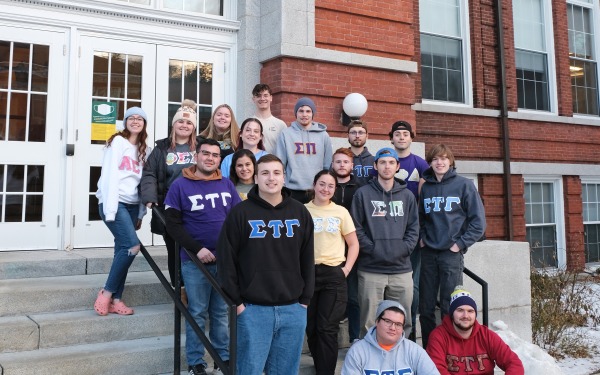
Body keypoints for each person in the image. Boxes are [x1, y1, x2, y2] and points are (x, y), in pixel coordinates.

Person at [217, 154, 315, 375]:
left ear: (284, 177)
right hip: (252, 310)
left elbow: (308, 258)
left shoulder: (300, 212)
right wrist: (238, 303)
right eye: (265, 173)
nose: (271, 178)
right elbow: (226, 261)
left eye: (276, 173)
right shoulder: (240, 213)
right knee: (248, 371)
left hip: (293, 308)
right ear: (256, 177)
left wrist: (305, 300)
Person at [164, 138, 242, 375]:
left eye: (215, 155)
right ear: (196, 156)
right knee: (197, 312)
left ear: (220, 159)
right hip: (194, 261)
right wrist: (197, 249)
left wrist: (230, 251)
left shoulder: (227, 185)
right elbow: (172, 225)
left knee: (220, 313)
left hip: (225, 261)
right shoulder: (180, 185)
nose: (210, 158)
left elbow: (237, 221)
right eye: (205, 153)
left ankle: (222, 359)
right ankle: (195, 362)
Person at [419, 144, 486, 349]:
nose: (440, 162)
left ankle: (452, 350)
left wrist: (459, 245)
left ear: (451, 161)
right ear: (430, 162)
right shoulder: (427, 187)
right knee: (426, 307)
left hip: (451, 255)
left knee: (450, 306)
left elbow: (478, 223)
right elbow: (420, 218)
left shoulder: (464, 185)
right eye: (435, 159)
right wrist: (422, 238)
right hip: (429, 253)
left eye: (444, 158)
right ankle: (431, 351)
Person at [351, 147, 419, 339]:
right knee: (369, 322)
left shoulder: (407, 196)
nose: (386, 166)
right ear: (375, 165)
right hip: (371, 268)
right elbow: (356, 227)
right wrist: (372, 249)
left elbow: (414, 228)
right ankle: (371, 360)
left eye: (391, 162)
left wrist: (403, 248)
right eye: (382, 162)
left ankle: (399, 359)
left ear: (397, 166)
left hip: (401, 269)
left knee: (402, 321)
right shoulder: (362, 194)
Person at [94, 107, 150, 316]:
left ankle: (117, 299)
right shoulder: (118, 142)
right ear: (125, 122)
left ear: (144, 124)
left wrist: (141, 213)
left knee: (122, 251)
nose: (135, 121)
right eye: (131, 118)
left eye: (140, 119)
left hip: (133, 206)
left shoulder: (146, 149)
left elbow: (144, 184)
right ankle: (107, 293)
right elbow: (109, 176)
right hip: (114, 203)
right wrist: (111, 210)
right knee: (132, 246)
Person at [141, 99, 201, 293]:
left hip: (196, 206)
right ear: (174, 124)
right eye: (180, 122)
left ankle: (196, 288)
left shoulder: (200, 148)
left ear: (194, 127)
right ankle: (180, 288)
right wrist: (150, 197)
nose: (184, 125)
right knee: (174, 248)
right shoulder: (161, 148)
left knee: (194, 246)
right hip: (170, 207)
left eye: (189, 122)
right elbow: (149, 173)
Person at [305, 170, 359, 375]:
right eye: (322, 184)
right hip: (308, 275)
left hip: (333, 275)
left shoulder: (341, 212)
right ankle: (320, 364)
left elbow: (353, 244)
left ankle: (325, 371)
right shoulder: (302, 210)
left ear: (335, 189)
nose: (325, 189)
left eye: (330, 186)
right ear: (314, 184)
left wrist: (345, 269)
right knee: (311, 327)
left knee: (327, 328)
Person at [389, 120, 429, 342]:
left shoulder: (421, 164)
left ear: (411, 138)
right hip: (389, 231)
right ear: (392, 138)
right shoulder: (386, 160)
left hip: (413, 233)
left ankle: (410, 330)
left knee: (412, 283)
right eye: (397, 134)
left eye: (405, 134)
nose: (401, 137)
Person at [427, 287, 524, 375]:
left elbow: (514, 363)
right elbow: (436, 370)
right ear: (452, 314)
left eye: (470, 311)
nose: (465, 316)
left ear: (475, 314)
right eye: (460, 310)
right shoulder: (438, 336)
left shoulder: (487, 335)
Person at [342, 300, 439, 375]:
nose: (393, 328)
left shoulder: (414, 351)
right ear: (377, 321)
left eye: (398, 324)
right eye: (388, 321)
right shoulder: (357, 352)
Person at [330, 147, 361, 344]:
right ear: (332, 164)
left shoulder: (361, 189)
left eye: (345, 162)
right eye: (338, 161)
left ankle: (355, 338)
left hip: (354, 247)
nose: (342, 165)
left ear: (352, 165)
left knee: (354, 296)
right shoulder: (326, 186)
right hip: (331, 248)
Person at [275, 97, 333, 203]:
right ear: (296, 113)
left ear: (312, 113)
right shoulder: (286, 134)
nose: (304, 114)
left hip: (316, 190)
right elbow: (280, 163)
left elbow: (327, 165)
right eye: (301, 111)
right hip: (292, 189)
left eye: (308, 111)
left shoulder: (323, 135)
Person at [251, 83, 287, 154]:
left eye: (265, 95)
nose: (262, 98)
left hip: (274, 164)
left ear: (271, 98)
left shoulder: (280, 125)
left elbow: (285, 150)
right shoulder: (248, 124)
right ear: (253, 99)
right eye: (258, 96)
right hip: (254, 164)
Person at [347, 120, 374, 186]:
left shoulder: (374, 161)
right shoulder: (340, 161)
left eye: (361, 132)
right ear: (348, 136)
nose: (357, 136)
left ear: (367, 136)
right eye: (353, 132)